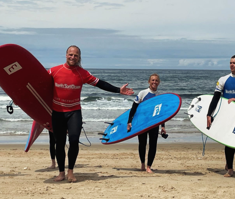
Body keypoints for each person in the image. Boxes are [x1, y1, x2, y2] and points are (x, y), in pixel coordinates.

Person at [49, 45, 134, 182]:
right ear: (66, 55)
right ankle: (61, 173)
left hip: (74, 112)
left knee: (74, 141)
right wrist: (19, 99)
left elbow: (100, 84)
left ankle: (70, 171)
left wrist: (118, 90)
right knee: (59, 143)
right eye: (71, 54)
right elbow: (39, 86)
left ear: (79, 57)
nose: (73, 57)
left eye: (76, 55)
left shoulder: (82, 73)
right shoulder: (54, 71)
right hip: (58, 112)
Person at [127, 74, 166, 173]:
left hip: (154, 124)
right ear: (149, 81)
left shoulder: (160, 96)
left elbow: (161, 114)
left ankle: (149, 166)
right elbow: (134, 108)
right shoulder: (142, 93)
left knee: (153, 145)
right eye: (152, 80)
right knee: (142, 144)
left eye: (156, 80)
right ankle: (142, 164)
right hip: (142, 123)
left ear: (159, 82)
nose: (154, 82)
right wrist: (129, 122)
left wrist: (163, 127)